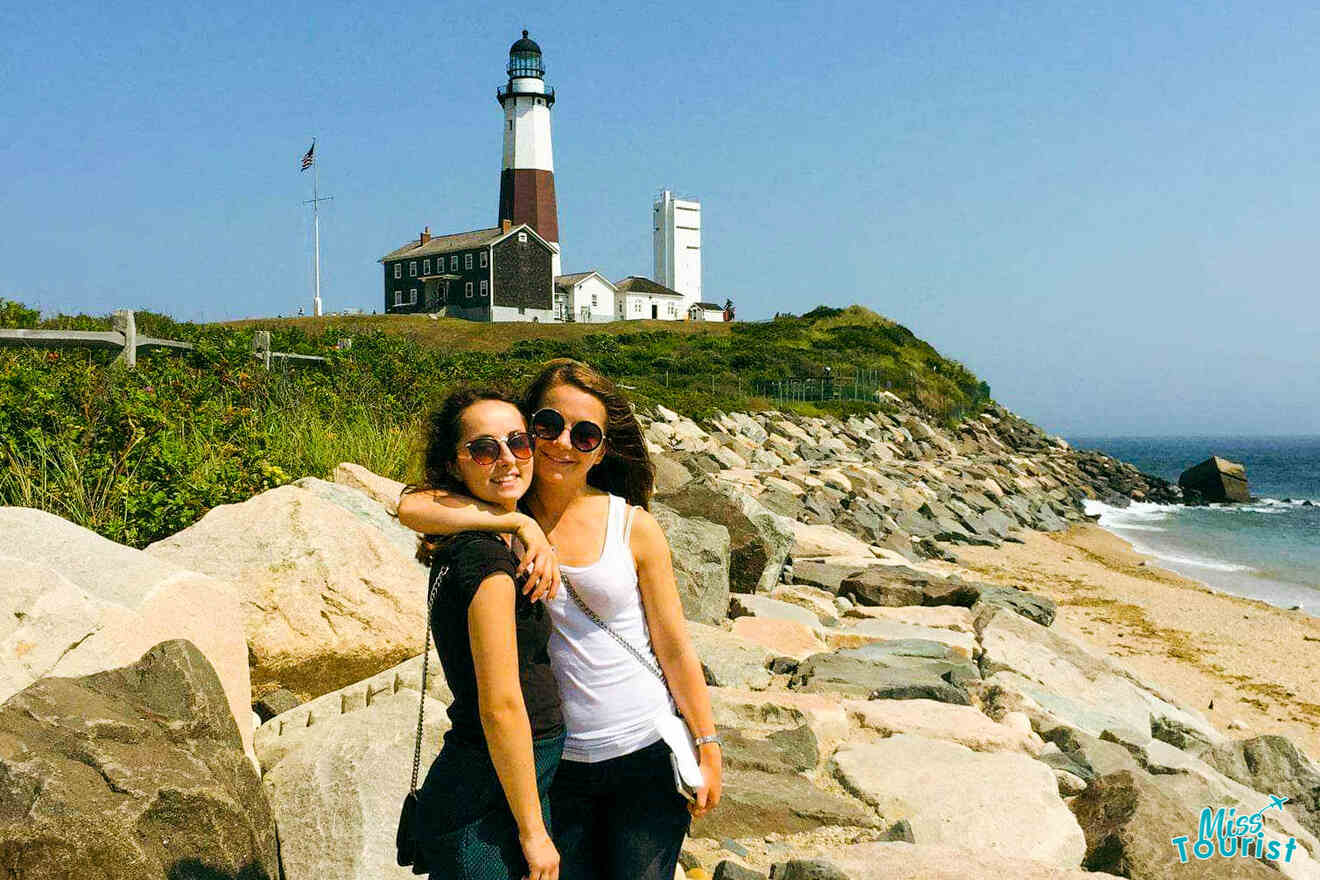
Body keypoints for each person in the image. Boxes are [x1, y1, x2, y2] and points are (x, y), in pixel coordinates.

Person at [398, 359, 723, 880]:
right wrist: (520, 522)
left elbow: (676, 647)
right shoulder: (500, 498)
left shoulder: (633, 526)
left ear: (602, 450)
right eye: (548, 426)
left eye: (585, 434)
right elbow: (411, 504)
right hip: (559, 764)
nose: (563, 443)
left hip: (643, 751)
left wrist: (708, 744)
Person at [402, 387, 564, 880]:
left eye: (518, 442)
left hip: (492, 773)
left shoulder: (470, 537)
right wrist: (534, 833)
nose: (507, 460)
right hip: (495, 784)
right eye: (484, 449)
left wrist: (522, 523)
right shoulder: (489, 565)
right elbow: (501, 705)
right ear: (456, 465)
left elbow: (412, 503)